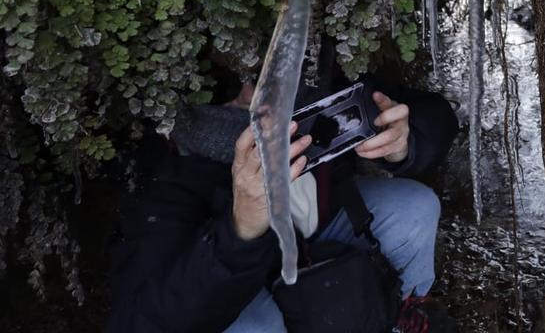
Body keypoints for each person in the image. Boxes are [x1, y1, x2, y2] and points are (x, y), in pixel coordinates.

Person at [106, 39, 459, 333]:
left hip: (315, 230)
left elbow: (434, 113)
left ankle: (394, 316)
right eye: (235, 79)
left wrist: (406, 140)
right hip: (228, 271)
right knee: (258, 327)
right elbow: (143, 318)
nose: (259, 90)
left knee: (415, 210)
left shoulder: (311, 85)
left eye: (270, 69)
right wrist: (240, 230)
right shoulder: (168, 156)